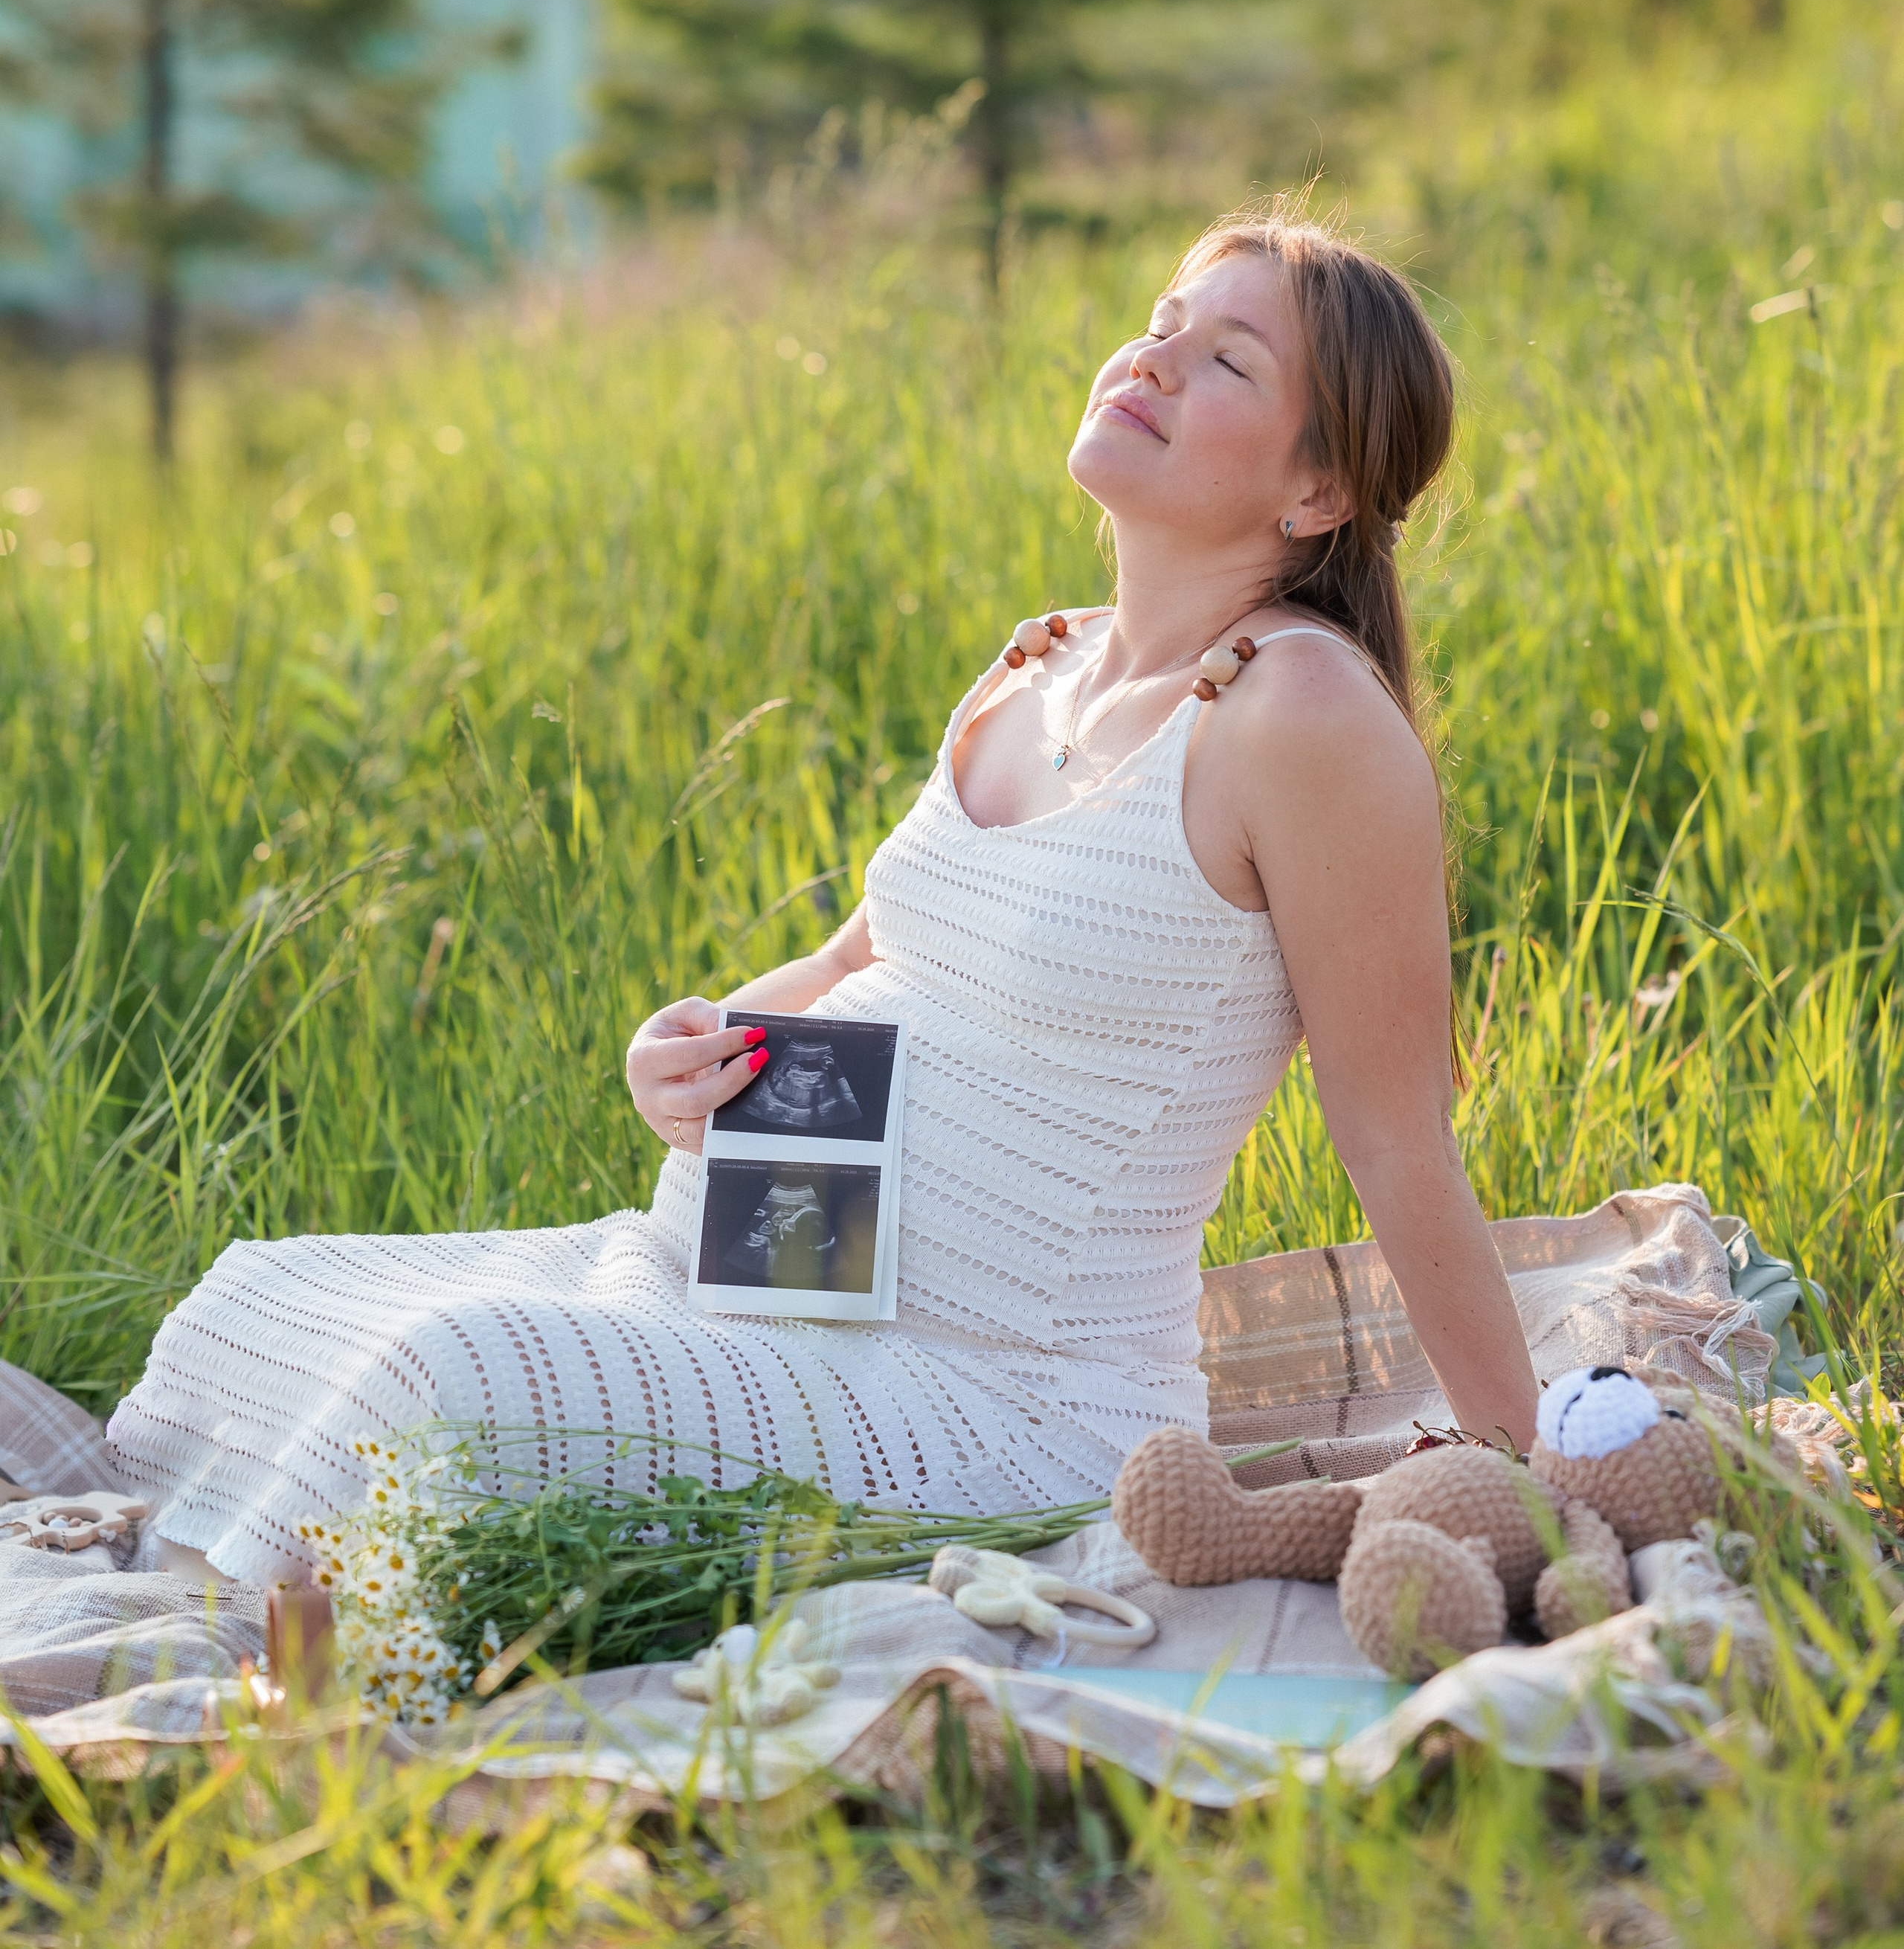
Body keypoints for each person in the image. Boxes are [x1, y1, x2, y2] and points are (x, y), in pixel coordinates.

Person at [108, 205, 1537, 1585]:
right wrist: (696, 1041)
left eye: (1226, 359)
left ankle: (291, 1637)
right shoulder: (1038, 665)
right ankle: (308, 1583)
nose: (1150, 358)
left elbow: (1399, 1142)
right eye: (1160, 323)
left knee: (450, 1376)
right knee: (257, 1297)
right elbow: (872, 956)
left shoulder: (1303, 720)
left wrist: (1516, 1464)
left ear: (1318, 491)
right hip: (762, 1283)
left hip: (1002, 1399)